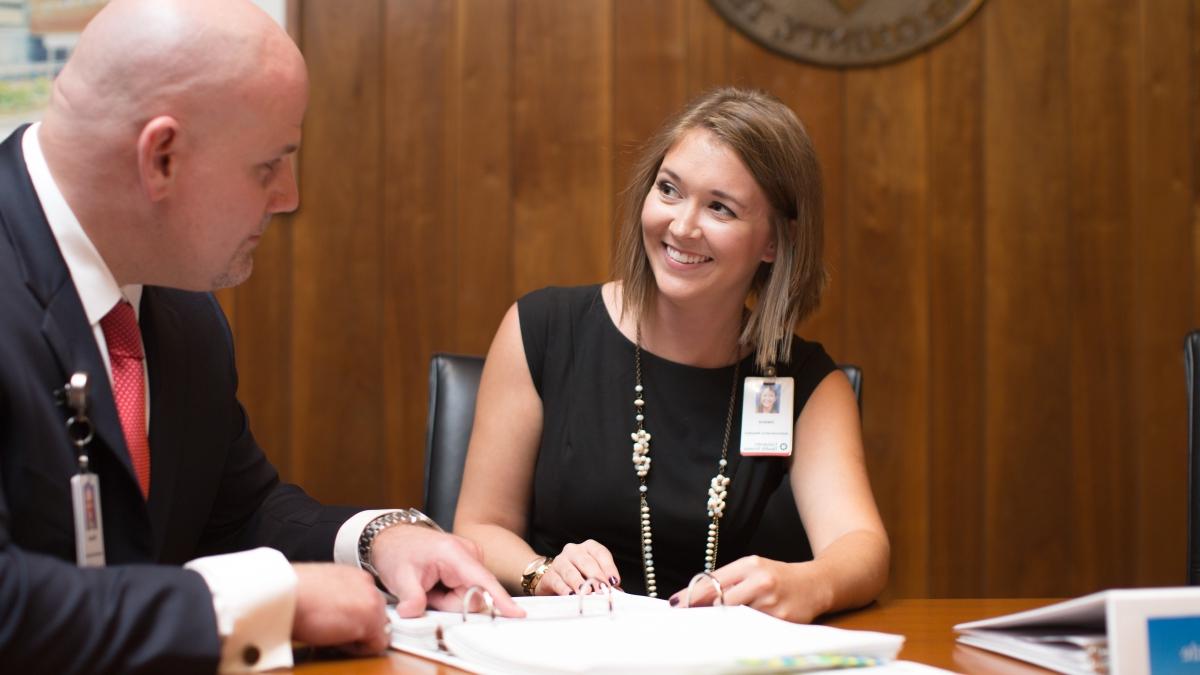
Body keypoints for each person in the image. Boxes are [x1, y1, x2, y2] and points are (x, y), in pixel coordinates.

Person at [0, 1, 519, 673]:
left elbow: (234, 509)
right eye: (268, 165)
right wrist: (270, 603)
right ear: (161, 156)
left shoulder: (187, 313)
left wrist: (376, 538)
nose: (289, 196)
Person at [454, 87, 888, 623]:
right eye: (669, 190)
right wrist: (539, 571)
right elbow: (478, 527)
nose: (682, 226)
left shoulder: (804, 383)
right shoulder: (541, 328)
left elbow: (861, 546)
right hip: (564, 644)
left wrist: (809, 580)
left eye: (720, 208)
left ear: (773, 242)